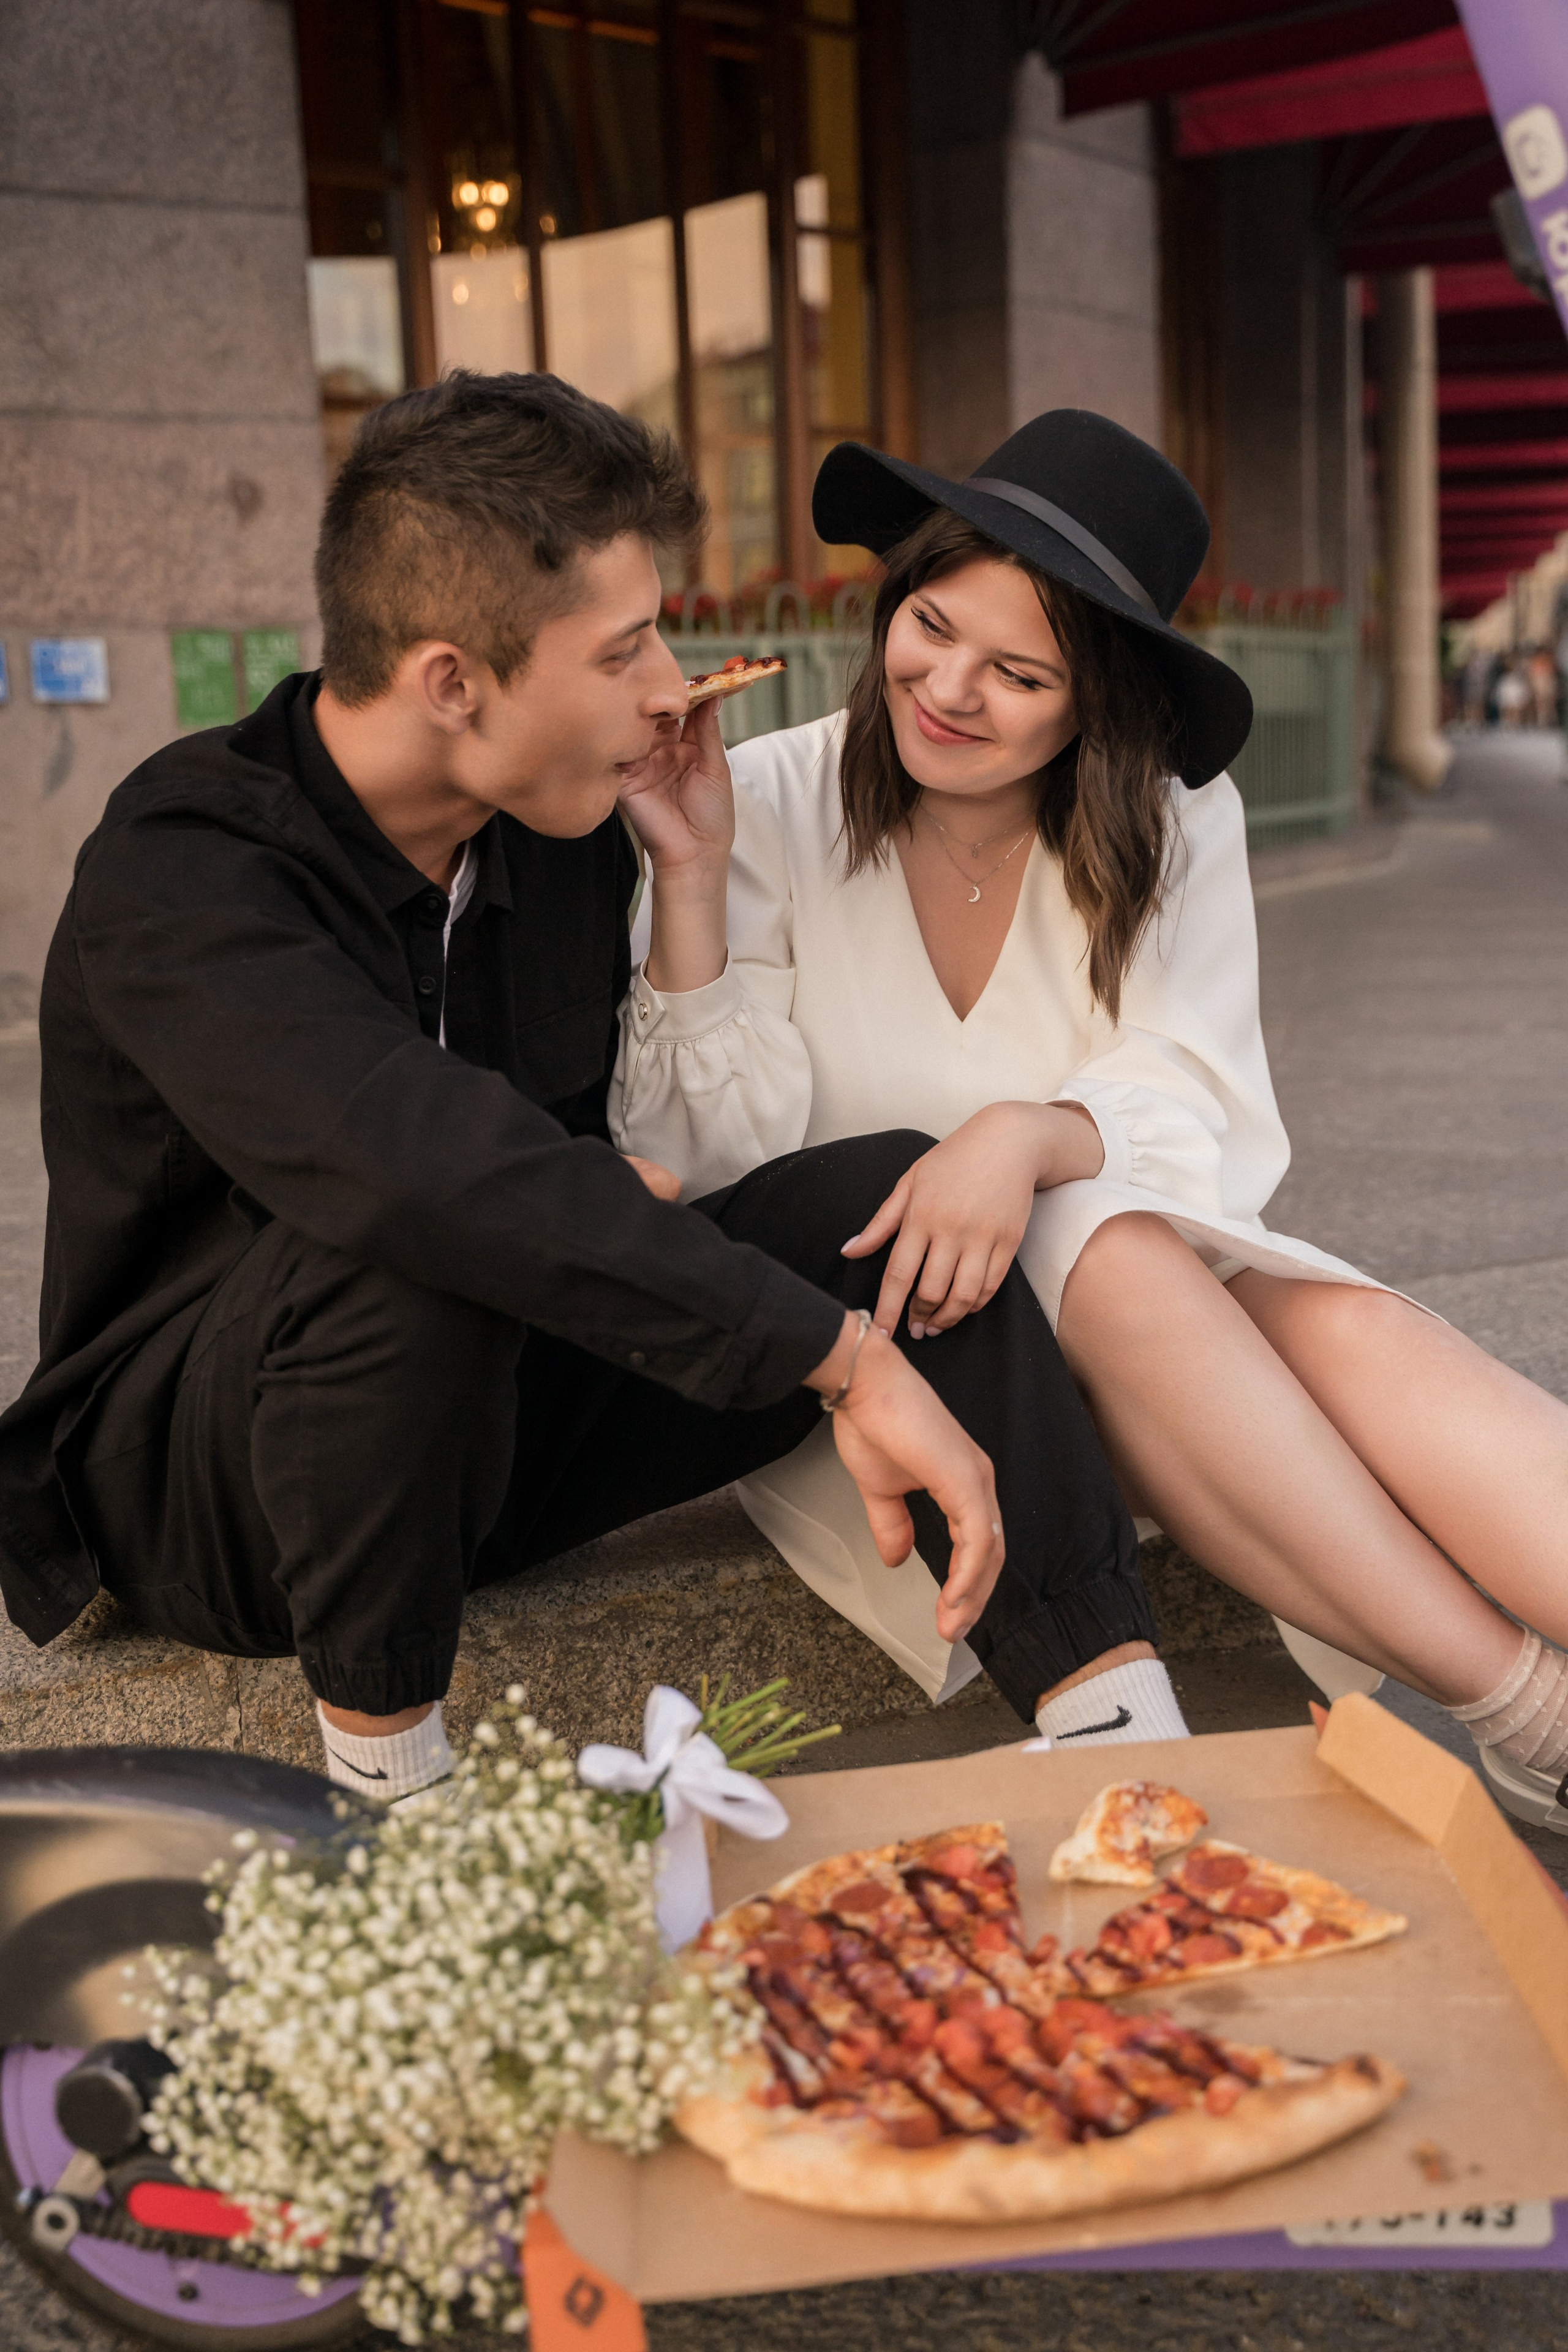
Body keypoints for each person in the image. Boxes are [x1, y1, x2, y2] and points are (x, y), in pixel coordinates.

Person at [0, 373, 1161, 1804]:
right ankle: (397, 1814)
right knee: (409, 1237)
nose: (671, 686)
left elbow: (643, 1177)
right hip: (212, 1495)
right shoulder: (184, 871)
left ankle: (1130, 1737)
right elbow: (422, 1173)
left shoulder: (557, 831)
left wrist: (684, 873)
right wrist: (840, 1358)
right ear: (451, 681)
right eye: (623, 652)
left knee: (893, 1196)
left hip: (494, 1424)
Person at [611, 408, 1568, 1833]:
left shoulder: (1172, 820)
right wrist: (688, 879)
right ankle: (1527, 1712)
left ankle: (1531, 1729)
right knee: (1120, 1260)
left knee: (1328, 1322)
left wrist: (1031, 1134)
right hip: (887, 1354)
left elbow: (1203, 1096)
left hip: (1146, 1308)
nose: (947, 689)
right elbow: (708, 1157)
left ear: (1091, 703)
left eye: (1018, 673)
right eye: (929, 626)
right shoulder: (757, 797)